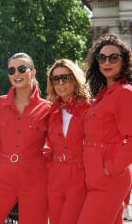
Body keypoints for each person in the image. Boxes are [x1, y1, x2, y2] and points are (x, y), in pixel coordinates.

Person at [77, 33, 132, 224]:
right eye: (102, 57)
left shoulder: (124, 93)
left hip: (110, 176)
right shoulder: (103, 95)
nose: (107, 62)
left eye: (113, 57)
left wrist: (108, 169)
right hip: (95, 174)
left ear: (123, 62)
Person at [0, 52, 50, 224]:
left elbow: (55, 145)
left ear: (33, 73)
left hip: (34, 179)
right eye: (12, 70)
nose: (16, 74)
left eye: (22, 69)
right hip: (2, 177)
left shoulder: (47, 109)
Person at [46, 59, 91, 224]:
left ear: (75, 78)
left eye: (65, 77)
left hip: (80, 175)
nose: (60, 83)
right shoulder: (51, 111)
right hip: (55, 176)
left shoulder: (90, 108)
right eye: (55, 79)